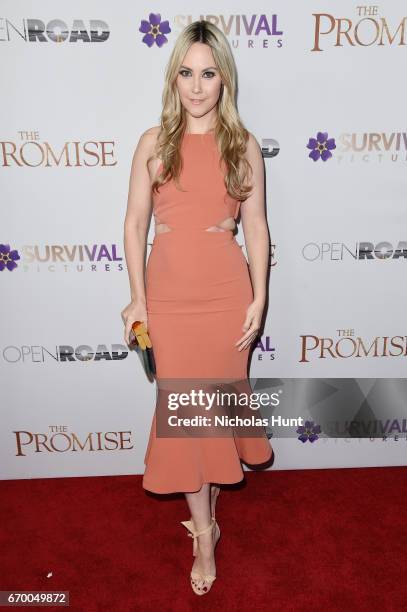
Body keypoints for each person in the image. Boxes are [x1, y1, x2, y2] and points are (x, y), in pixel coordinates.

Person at [121, 20, 273, 596]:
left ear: (224, 77)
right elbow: (135, 224)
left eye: (208, 73)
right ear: (173, 77)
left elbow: (256, 227)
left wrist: (259, 296)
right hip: (169, 296)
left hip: (226, 295)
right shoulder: (153, 142)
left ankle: (204, 516)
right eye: (186, 73)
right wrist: (137, 296)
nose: (197, 86)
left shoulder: (245, 145)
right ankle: (205, 533)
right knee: (186, 419)